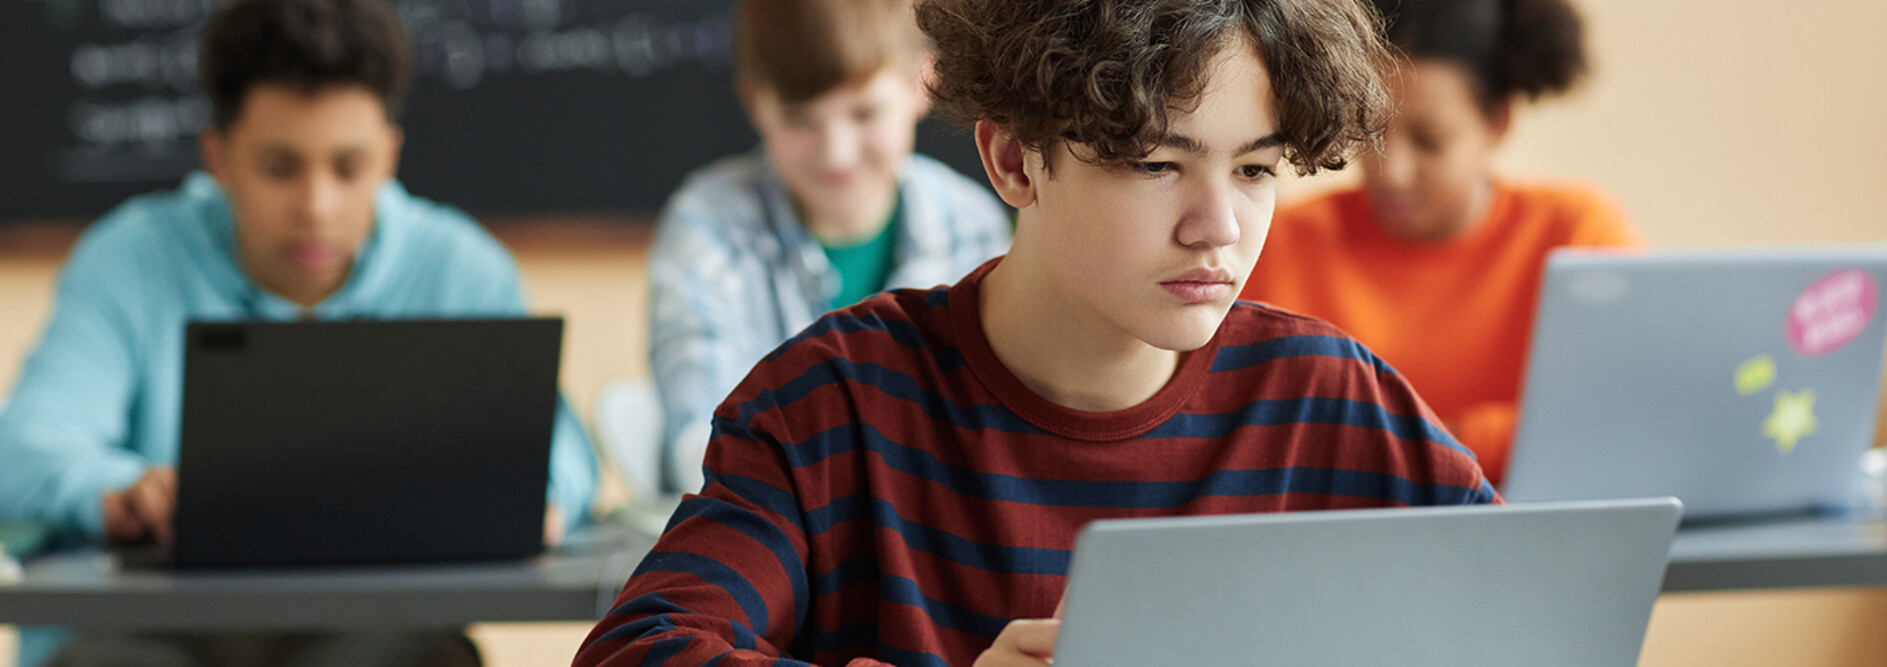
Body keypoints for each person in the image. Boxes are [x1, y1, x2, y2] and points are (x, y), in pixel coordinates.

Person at [576, 1, 1494, 666]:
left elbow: (1532, 618)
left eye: (1255, 169)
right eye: (1154, 163)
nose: (1219, 225)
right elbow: (638, 650)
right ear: (1015, 159)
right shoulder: (831, 401)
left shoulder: (1331, 398)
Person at [0, 0, 596, 663]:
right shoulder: (128, 258)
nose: (317, 206)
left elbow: (563, 456)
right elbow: (24, 448)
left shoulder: (459, 267)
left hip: (371, 633)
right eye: (280, 168)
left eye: (348, 167)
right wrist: (120, 490)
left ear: (390, 156)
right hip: (146, 637)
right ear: (218, 156)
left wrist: (537, 497)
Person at [1240, 0, 1644, 483]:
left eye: (1429, 140)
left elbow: (1621, 414)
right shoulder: (1285, 240)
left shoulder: (1577, 233)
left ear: (1497, 124)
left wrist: (1388, 448)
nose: (1393, 173)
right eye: (1370, 133)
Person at [646, 0, 1011, 495]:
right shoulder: (706, 229)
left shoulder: (972, 225)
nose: (836, 151)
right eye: (800, 120)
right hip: (777, 538)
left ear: (921, 83)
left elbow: (996, 430)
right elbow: (704, 448)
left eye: (864, 112)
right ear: (755, 104)